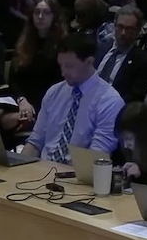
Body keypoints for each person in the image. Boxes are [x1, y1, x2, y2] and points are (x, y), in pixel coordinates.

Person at [23, 33, 124, 163]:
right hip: (41, 169)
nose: (63, 72)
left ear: (89, 62)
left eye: (69, 66)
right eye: (61, 65)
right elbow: (35, 142)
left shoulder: (110, 102)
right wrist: (18, 168)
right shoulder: (54, 92)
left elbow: (97, 157)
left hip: (78, 175)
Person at [0, 0, 65, 133]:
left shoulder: (62, 46)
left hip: (47, 104)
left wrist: (29, 106)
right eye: (37, 12)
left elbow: (58, 85)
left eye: (46, 12)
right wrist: (22, 100)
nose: (40, 16)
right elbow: (14, 79)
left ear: (54, 16)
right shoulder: (24, 42)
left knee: (11, 120)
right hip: (21, 100)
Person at [94, 6, 147, 104]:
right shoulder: (99, 49)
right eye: (120, 27)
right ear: (114, 26)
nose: (123, 33)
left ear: (137, 31)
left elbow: (135, 97)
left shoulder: (143, 61)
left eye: (129, 29)